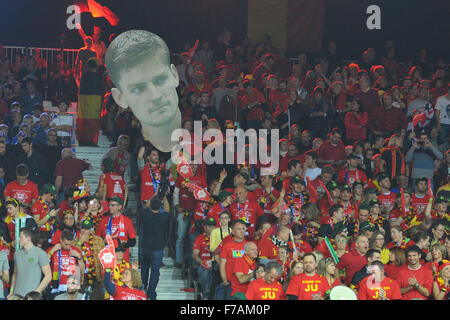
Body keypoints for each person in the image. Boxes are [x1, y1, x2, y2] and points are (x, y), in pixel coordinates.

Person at [106, 30, 181, 153]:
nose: (155, 96)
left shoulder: (204, 134)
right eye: (137, 89)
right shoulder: (130, 150)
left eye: (160, 80)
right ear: (120, 98)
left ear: (175, 75)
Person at [141, 194, 170, 300]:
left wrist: (153, 195)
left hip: (146, 246)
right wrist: (165, 197)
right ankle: (151, 293)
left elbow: (145, 206)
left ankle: (142, 287)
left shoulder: (145, 214)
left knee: (144, 267)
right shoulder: (162, 217)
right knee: (155, 271)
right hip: (157, 248)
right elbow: (167, 209)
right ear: (159, 206)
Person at [8, 228, 51, 298]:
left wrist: (37, 292)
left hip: (32, 296)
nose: (18, 239)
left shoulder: (40, 253)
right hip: (16, 295)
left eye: (21, 237)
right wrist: (11, 291)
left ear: (28, 239)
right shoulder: (17, 254)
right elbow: (15, 274)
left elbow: (48, 276)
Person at [96, 197, 136, 262]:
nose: (110, 207)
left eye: (113, 205)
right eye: (109, 205)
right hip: (107, 258)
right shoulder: (104, 220)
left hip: (122, 259)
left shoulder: (127, 220)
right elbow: (97, 239)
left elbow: (133, 241)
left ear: (119, 207)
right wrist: (103, 242)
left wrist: (122, 243)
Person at [217, 219, 248, 300]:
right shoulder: (227, 245)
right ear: (233, 232)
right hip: (230, 283)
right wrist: (225, 281)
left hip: (245, 282)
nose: (242, 231)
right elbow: (222, 264)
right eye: (239, 229)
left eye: (243, 229)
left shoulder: (249, 246)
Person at [74, 219, 105, 300]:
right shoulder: (75, 241)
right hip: (81, 278)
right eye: (82, 228)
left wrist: (103, 275)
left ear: (91, 230)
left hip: (96, 277)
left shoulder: (99, 240)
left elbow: (103, 259)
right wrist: (80, 242)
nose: (84, 230)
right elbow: (73, 255)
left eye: (87, 229)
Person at [49, 230, 84, 295]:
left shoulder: (75, 250)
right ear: (61, 241)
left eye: (70, 244)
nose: (68, 247)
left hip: (71, 287)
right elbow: (44, 264)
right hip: (55, 286)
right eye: (66, 244)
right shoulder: (53, 249)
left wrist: (79, 257)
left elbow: (83, 270)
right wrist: (52, 250)